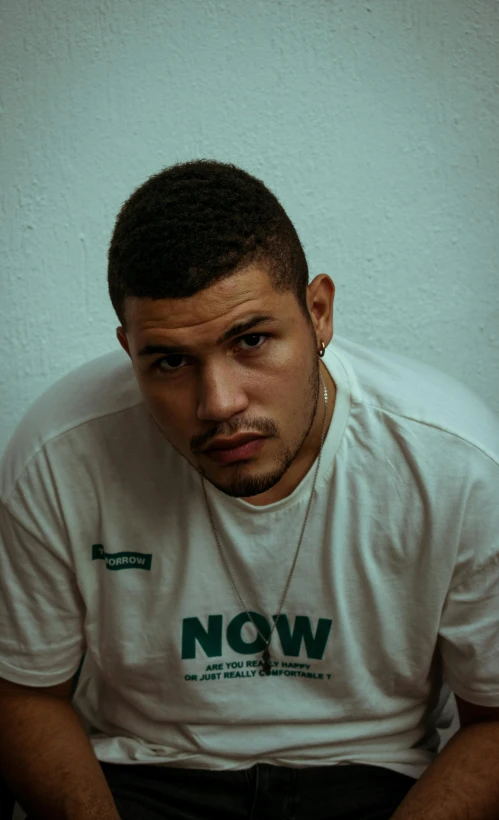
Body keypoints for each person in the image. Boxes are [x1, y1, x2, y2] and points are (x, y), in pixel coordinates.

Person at [0, 160, 499, 820]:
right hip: (143, 774)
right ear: (130, 351)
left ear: (317, 314)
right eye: (171, 361)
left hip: (372, 778)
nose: (217, 403)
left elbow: (491, 719)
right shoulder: (59, 455)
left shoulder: (450, 460)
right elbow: (26, 695)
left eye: (252, 340)